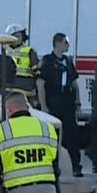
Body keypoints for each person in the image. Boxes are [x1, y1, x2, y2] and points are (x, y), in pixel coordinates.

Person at [37, 32, 82, 177]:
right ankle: (51, 167)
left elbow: (74, 84)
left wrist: (78, 104)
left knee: (72, 136)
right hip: (53, 103)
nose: (67, 45)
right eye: (65, 42)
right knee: (52, 137)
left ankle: (75, 166)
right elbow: (40, 84)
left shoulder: (68, 61)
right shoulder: (47, 61)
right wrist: (44, 107)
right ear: (57, 43)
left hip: (67, 105)